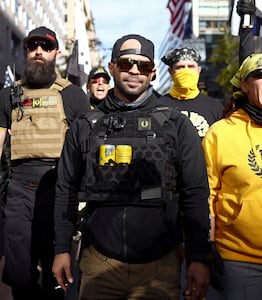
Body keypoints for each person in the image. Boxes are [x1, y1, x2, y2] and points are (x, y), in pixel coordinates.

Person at [52, 33, 212, 300]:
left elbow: (195, 193)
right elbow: (65, 189)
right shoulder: (84, 125)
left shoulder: (176, 125)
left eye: (144, 65)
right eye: (126, 63)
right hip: (99, 265)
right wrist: (61, 249)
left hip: (159, 267)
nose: (135, 71)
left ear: (153, 73)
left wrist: (200, 257)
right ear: (112, 66)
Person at [0, 26, 90, 300]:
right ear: (26, 50)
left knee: (56, 275)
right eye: (33, 45)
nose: (39, 51)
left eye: (46, 46)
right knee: (19, 276)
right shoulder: (8, 95)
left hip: (58, 192)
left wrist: (82, 196)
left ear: (56, 53)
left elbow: (84, 150)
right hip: (19, 193)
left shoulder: (73, 95)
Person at [202, 52, 262, 299]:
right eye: (260, 74)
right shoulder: (220, 133)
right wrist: (203, 252)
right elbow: (206, 198)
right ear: (244, 85)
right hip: (237, 260)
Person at [160, 47, 224, 138]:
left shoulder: (215, 107)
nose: (186, 71)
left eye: (191, 66)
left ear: (198, 70)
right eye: (180, 67)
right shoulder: (159, 106)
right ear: (171, 72)